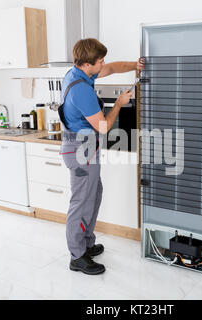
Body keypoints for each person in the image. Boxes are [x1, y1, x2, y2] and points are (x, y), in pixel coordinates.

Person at [59, 38, 144, 275]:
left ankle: (86, 243)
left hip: (85, 147)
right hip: (80, 150)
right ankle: (77, 256)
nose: (103, 63)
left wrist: (135, 65)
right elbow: (105, 126)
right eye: (100, 61)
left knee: (94, 195)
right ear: (88, 64)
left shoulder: (80, 73)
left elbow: (113, 67)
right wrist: (118, 104)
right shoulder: (81, 90)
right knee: (81, 202)